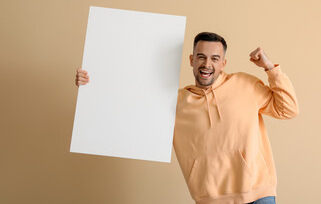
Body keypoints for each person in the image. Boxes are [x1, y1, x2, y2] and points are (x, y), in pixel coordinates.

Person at [75, 32, 299, 204]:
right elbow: (125, 106)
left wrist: (271, 69)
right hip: (210, 199)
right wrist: (91, 84)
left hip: (258, 196)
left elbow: (288, 110)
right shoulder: (173, 102)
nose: (206, 64)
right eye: (201, 57)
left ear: (223, 64)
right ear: (191, 60)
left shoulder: (245, 84)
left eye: (214, 58)